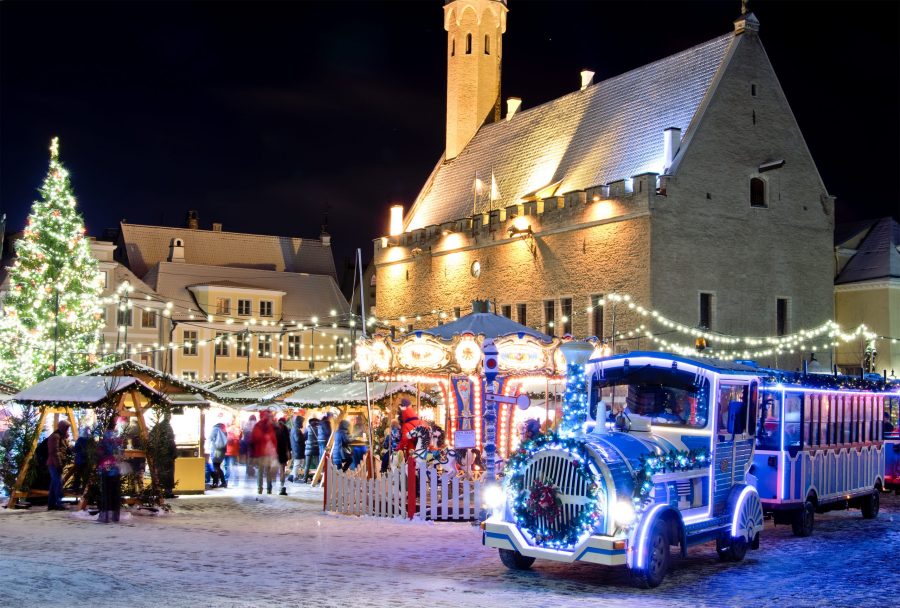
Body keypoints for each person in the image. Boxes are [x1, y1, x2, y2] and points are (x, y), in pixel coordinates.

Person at [96, 417, 123, 523]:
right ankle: (115, 515)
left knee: (106, 491)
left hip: (106, 468)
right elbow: (121, 453)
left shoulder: (105, 439)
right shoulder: (118, 438)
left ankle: (106, 515)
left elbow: (100, 452)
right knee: (115, 492)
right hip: (116, 468)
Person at [148, 411, 177, 498]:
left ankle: (159, 491)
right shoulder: (167, 427)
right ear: (168, 417)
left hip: (159, 455)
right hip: (167, 455)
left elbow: (151, 438)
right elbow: (171, 441)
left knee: (160, 473)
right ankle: (168, 492)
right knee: (168, 474)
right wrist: (174, 453)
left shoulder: (157, 426)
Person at [251, 410, 277, 494]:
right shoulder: (270, 425)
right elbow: (274, 440)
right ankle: (268, 489)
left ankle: (260, 488)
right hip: (266, 452)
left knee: (261, 471)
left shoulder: (258, 425)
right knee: (266, 471)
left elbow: (254, 438)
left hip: (261, 452)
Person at [46, 420, 70, 511]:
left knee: (54, 484)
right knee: (58, 483)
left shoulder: (61, 436)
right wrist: (58, 465)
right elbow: (54, 452)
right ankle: (60, 503)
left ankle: (51, 504)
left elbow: (64, 448)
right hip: (54, 463)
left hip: (56, 463)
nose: (67, 430)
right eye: (66, 428)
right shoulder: (55, 436)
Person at [71, 426, 93, 495]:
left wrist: (71, 448)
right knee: (86, 477)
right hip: (88, 461)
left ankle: (75, 490)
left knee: (78, 475)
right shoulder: (91, 440)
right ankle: (85, 491)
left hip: (80, 460)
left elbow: (75, 449)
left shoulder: (80, 439)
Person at [208, 422, 228, 488]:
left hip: (217, 450)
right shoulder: (223, 431)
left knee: (215, 466)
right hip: (221, 450)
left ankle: (217, 483)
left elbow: (210, 438)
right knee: (217, 466)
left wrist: (208, 447)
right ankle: (222, 482)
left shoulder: (215, 429)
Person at [275, 416, 291, 495]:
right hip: (283, 452)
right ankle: (281, 485)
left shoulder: (274, 429)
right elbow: (288, 442)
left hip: (275, 452)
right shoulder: (285, 429)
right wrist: (289, 451)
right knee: (282, 470)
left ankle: (271, 486)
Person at [302, 417, 320, 483]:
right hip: (316, 448)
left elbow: (304, 437)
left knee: (307, 465)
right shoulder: (319, 429)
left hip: (308, 449)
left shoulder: (307, 429)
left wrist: (307, 441)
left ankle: (305, 479)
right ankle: (317, 478)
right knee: (318, 465)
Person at [289, 414, 305, 483]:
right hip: (297, 449)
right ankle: (294, 477)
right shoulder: (296, 429)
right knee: (297, 463)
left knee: (299, 462)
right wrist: (303, 437)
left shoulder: (295, 428)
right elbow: (297, 439)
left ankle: (291, 476)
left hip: (297, 449)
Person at [225, 418, 242, 484]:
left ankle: (226, 480)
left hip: (227, 450)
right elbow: (239, 439)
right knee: (233, 465)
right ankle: (236, 481)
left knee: (227, 466)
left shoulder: (227, 430)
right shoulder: (238, 430)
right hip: (234, 450)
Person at [241, 414, 257, 479]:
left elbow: (243, 432)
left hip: (246, 443)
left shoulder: (246, 424)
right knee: (252, 457)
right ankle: (251, 470)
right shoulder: (256, 424)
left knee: (247, 457)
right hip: (254, 443)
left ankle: (248, 470)